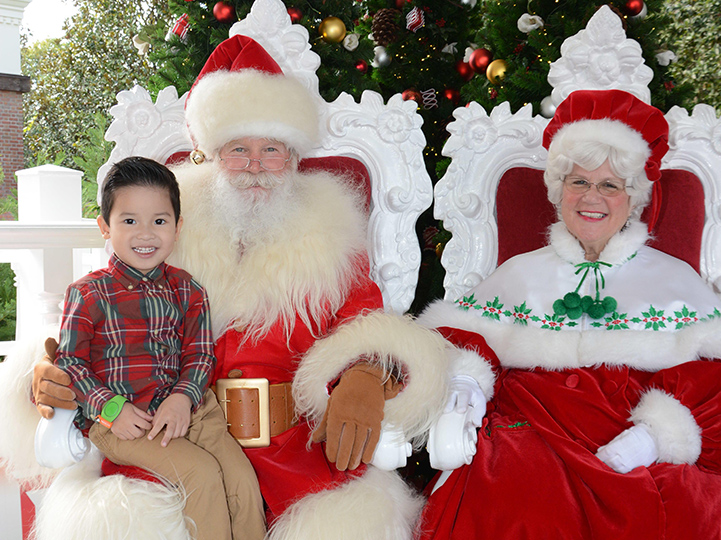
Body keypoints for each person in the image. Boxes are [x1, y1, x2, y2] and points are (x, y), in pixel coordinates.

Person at [28, 34, 446, 540]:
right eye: (238, 150)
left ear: (292, 158)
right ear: (209, 155)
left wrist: (365, 375)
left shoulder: (331, 235)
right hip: (173, 438)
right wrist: (55, 367)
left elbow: (368, 325)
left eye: (271, 149)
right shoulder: (163, 227)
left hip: (297, 453)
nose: (255, 166)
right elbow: (105, 312)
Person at [417, 89, 721, 539]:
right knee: (514, 492)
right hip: (533, 426)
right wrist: (466, 377)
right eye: (579, 182)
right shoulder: (519, 273)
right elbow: (457, 339)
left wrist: (655, 434)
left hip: (634, 430)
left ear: (632, 197)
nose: (592, 197)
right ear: (559, 190)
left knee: (674, 503)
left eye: (609, 185)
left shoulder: (673, 278)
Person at [54, 156, 266, 540]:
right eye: (130, 221)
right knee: (200, 475)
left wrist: (184, 398)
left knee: (242, 482)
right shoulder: (88, 293)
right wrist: (110, 407)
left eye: (160, 221)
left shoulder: (189, 290)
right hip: (127, 421)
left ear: (177, 227)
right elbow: (70, 363)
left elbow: (200, 355)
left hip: (194, 412)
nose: (146, 234)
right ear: (105, 226)